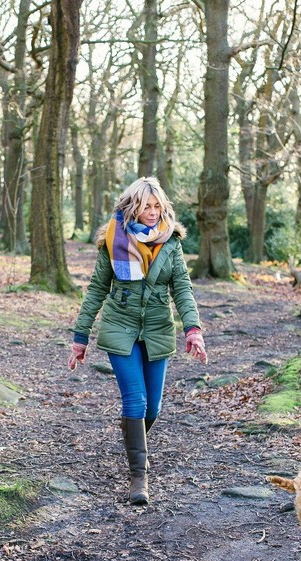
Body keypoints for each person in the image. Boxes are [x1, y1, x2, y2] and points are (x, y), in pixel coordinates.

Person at [68, 177, 208, 505]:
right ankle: (138, 478)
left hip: (157, 328)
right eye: (147, 206)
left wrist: (193, 328)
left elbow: (182, 288)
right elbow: (97, 290)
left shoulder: (171, 243)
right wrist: (80, 337)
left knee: (153, 407)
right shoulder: (112, 241)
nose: (153, 212)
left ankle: (133, 435)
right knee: (136, 401)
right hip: (121, 327)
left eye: (157, 206)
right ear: (133, 207)